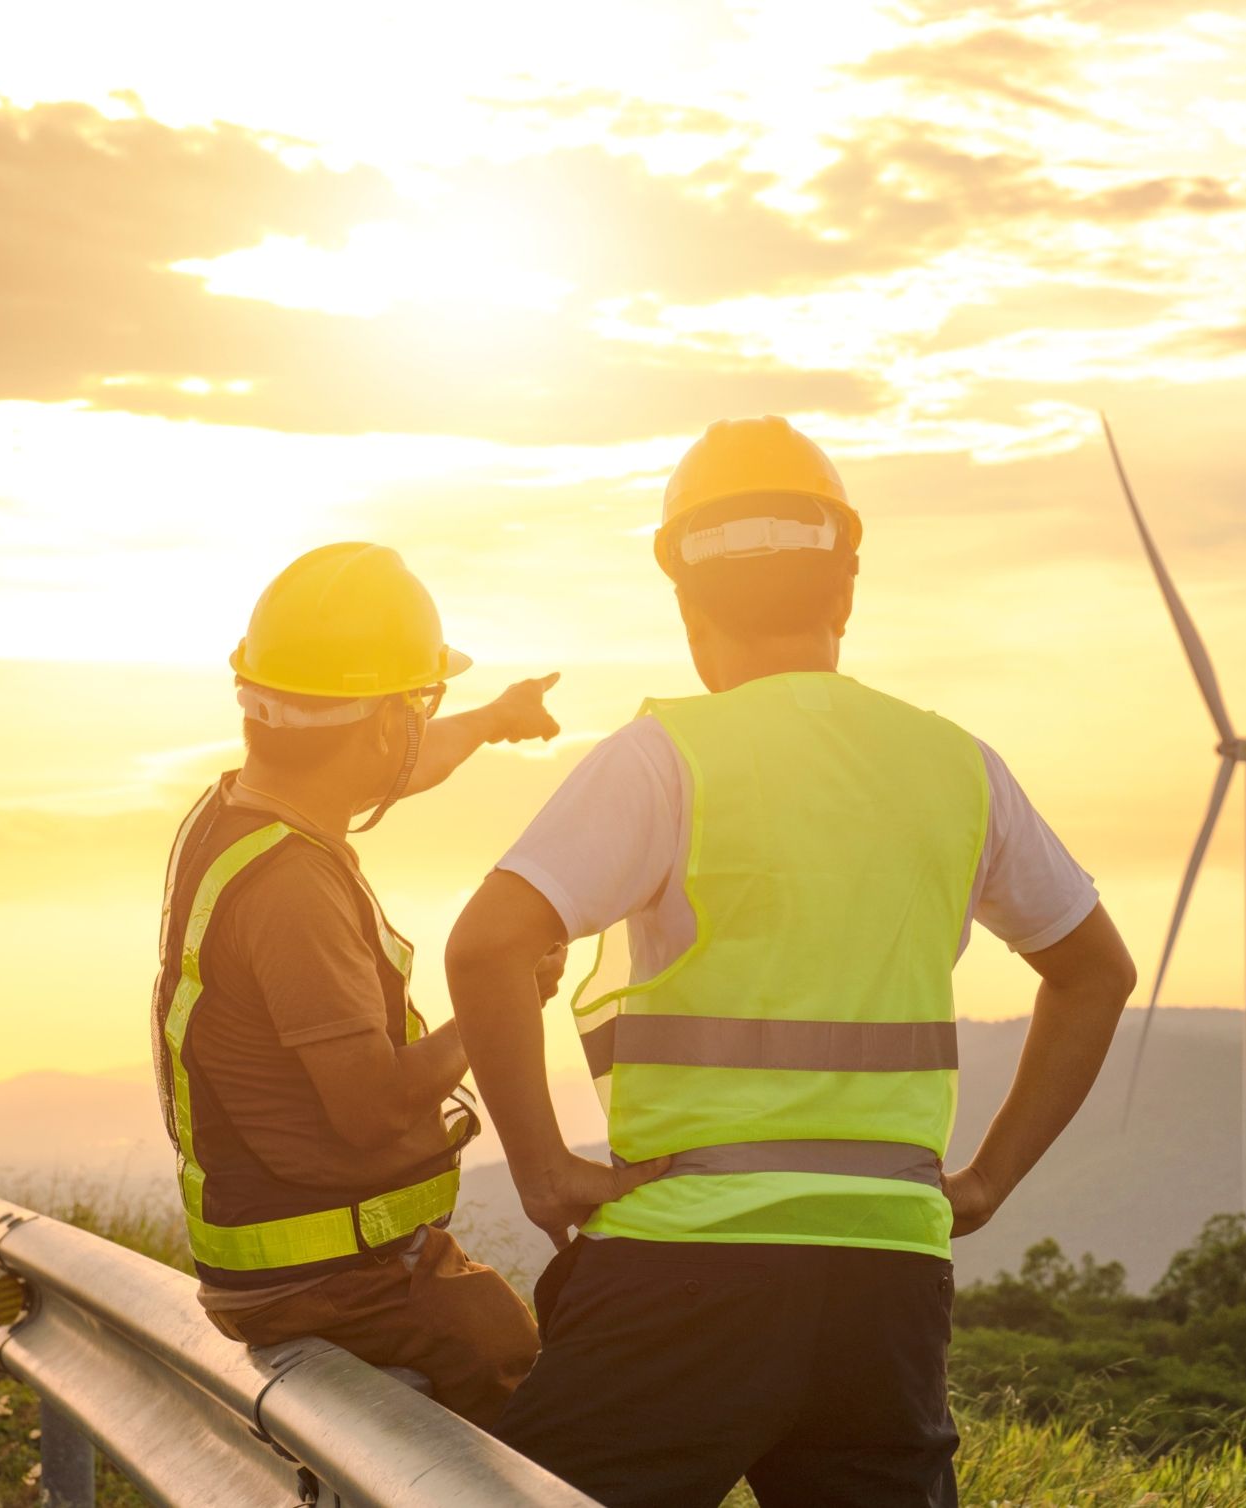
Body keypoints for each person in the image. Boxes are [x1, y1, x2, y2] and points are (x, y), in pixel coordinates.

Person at [446, 417, 1137, 1506]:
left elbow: (488, 945)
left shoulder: (664, 757)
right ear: (844, 593)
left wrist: (540, 1169)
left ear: (689, 603)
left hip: (689, 1266)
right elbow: (1097, 970)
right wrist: (989, 1177)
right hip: (889, 1280)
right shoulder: (960, 765)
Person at [149, 541, 560, 1429]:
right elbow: (370, 1111)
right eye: (415, 705)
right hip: (333, 1283)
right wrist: (502, 1002)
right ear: (377, 725)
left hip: (278, 1270)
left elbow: (401, 761)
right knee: (533, 1392)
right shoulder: (292, 890)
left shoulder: (237, 812)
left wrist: (491, 719)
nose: (421, 726)